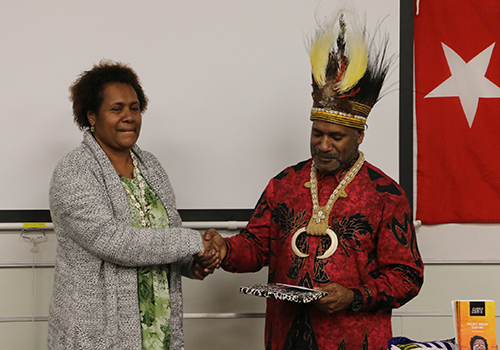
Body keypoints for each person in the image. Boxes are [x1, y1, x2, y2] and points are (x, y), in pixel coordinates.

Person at [203, 13, 424, 350]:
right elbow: (257, 246)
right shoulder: (285, 183)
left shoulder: (386, 195)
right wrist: (225, 249)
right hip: (285, 338)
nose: (323, 145)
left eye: (335, 136)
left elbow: (407, 276)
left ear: (360, 135)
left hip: (355, 340)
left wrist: (354, 296)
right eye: (317, 133)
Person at [47, 60, 219, 350]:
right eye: (116, 109)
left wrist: (193, 263)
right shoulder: (73, 171)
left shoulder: (150, 165)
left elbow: (166, 233)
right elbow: (115, 241)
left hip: (158, 328)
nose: (129, 116)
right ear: (91, 116)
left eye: (135, 108)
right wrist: (193, 241)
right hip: (97, 334)